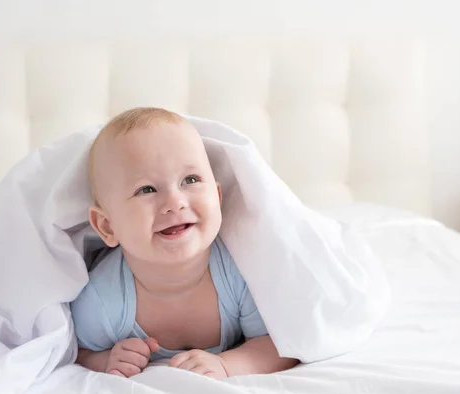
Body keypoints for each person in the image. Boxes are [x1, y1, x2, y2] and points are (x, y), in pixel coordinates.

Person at [70, 107, 298, 379]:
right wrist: (107, 360)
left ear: (216, 196)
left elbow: (281, 344)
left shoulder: (241, 273)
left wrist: (227, 365)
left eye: (190, 180)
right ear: (107, 226)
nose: (175, 202)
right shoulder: (101, 302)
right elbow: (77, 351)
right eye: (146, 189)